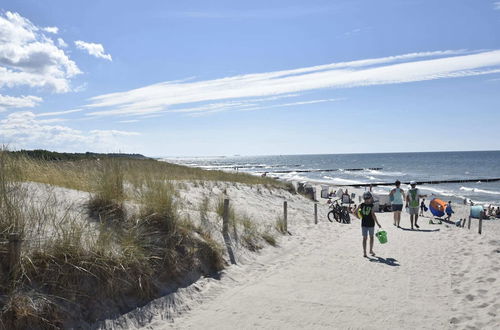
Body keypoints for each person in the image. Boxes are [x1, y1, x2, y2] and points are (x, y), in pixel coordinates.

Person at [354, 191, 382, 258]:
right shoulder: (371, 205)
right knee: (371, 237)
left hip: (364, 224)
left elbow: (354, 212)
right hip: (371, 224)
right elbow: (373, 215)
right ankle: (370, 250)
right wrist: (378, 223)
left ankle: (364, 252)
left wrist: (358, 217)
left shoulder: (361, 205)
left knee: (364, 238)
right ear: (370, 198)